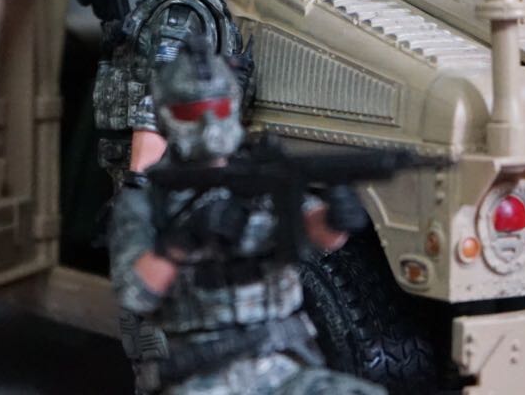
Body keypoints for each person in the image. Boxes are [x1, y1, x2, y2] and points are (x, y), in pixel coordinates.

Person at [110, 42, 384, 395]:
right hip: (202, 367)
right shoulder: (148, 201)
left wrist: (337, 217)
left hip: (281, 360)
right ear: (167, 116)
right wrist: (183, 241)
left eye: (219, 107)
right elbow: (135, 295)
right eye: (192, 111)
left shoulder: (261, 180)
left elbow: (317, 233)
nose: (209, 122)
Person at [91, 0, 249, 390]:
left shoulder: (179, 8)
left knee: (149, 322)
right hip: (178, 177)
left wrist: (138, 186)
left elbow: (159, 101)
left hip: (162, 178)